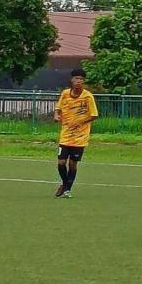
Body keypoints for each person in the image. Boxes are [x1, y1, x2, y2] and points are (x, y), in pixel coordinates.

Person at [54, 68, 99, 198]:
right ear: (72, 80)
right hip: (65, 135)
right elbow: (58, 108)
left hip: (80, 137)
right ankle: (65, 183)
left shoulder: (87, 96)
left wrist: (80, 122)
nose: (78, 81)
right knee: (61, 163)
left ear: (83, 81)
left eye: (81, 79)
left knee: (72, 164)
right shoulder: (65, 94)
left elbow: (94, 115)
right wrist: (56, 115)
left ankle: (67, 189)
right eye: (76, 79)